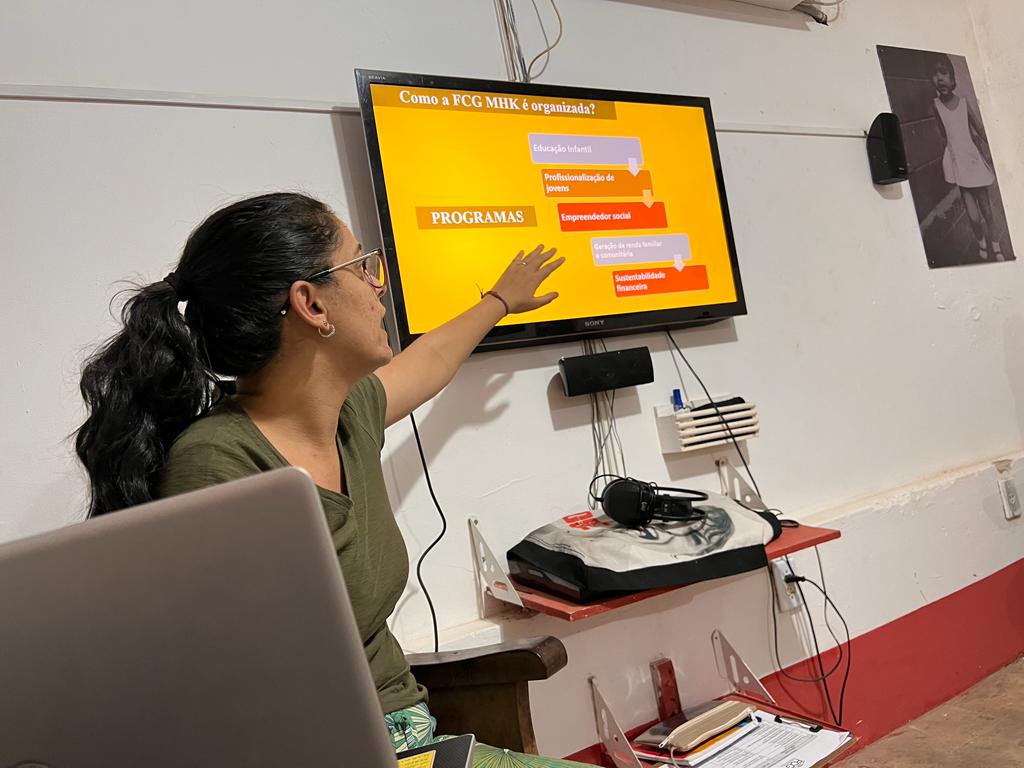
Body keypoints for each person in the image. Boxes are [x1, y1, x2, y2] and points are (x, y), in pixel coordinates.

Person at [75, 192, 592, 766]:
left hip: (415, 739)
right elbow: (227, 689)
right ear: (311, 303)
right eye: (363, 266)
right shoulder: (219, 466)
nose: (378, 288)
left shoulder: (350, 414)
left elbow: (431, 359)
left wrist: (499, 300)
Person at [930, 52, 1003, 261]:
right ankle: (981, 242)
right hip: (959, 165)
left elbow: (979, 128)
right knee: (973, 215)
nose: (939, 78)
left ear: (952, 79)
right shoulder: (935, 105)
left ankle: (996, 244)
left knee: (987, 211)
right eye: (935, 74)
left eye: (943, 73)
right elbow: (944, 133)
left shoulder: (963, 102)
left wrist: (995, 149)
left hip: (973, 162)